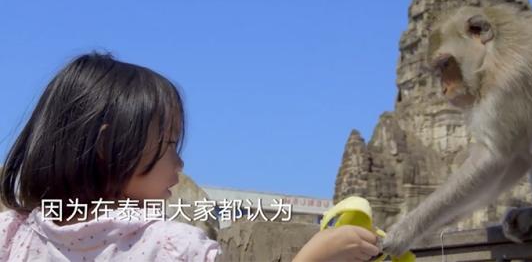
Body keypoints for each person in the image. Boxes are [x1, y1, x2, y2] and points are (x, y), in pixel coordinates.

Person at [0, 53, 380, 261]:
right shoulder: (174, 248)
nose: (179, 165)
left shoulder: (10, 236)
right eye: (168, 145)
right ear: (106, 146)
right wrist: (316, 257)